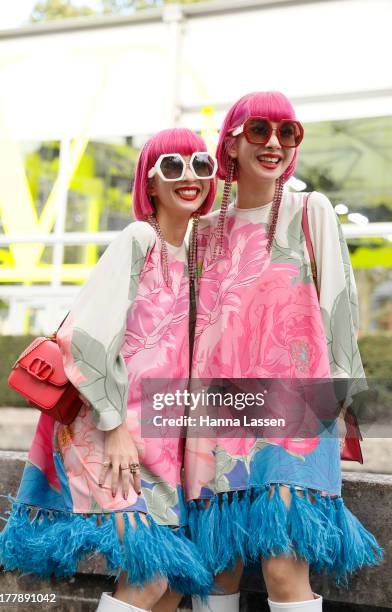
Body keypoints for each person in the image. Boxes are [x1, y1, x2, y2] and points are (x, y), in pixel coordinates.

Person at [0, 128, 217, 612]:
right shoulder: (140, 238)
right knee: (152, 579)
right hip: (109, 431)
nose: (189, 175)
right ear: (149, 184)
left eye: (201, 163)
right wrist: (114, 427)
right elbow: (84, 338)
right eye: (172, 166)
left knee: (174, 582)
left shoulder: (193, 254)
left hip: (158, 439)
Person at [184, 92, 384, 612]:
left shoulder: (308, 210)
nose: (274, 142)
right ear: (231, 140)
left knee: (281, 564)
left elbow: (340, 305)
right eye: (259, 130)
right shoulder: (201, 232)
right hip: (216, 415)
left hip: (296, 408)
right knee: (216, 569)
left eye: (287, 132)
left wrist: (337, 400)